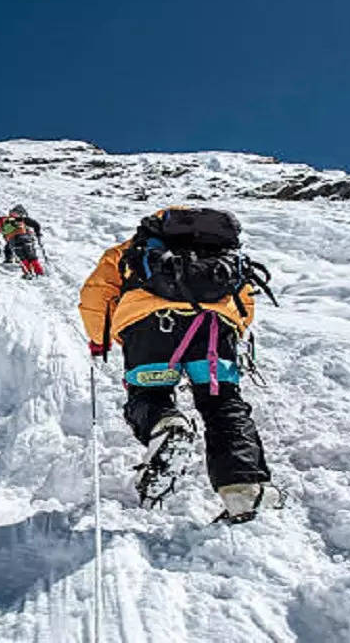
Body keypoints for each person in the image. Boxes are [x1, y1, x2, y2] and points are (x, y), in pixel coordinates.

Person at [78, 207, 276, 522]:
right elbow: (244, 299)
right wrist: (234, 328)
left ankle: (165, 425)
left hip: (148, 325)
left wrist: (98, 339)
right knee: (222, 403)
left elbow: (96, 293)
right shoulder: (222, 250)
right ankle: (243, 489)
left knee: (149, 395)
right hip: (213, 326)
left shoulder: (133, 248)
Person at [0, 205, 44, 278]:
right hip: (26, 238)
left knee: (22, 258)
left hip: (13, 240)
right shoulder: (21, 218)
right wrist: (38, 233)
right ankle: (39, 272)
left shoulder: (2, 220)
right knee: (31, 256)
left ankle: (27, 273)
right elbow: (36, 224)